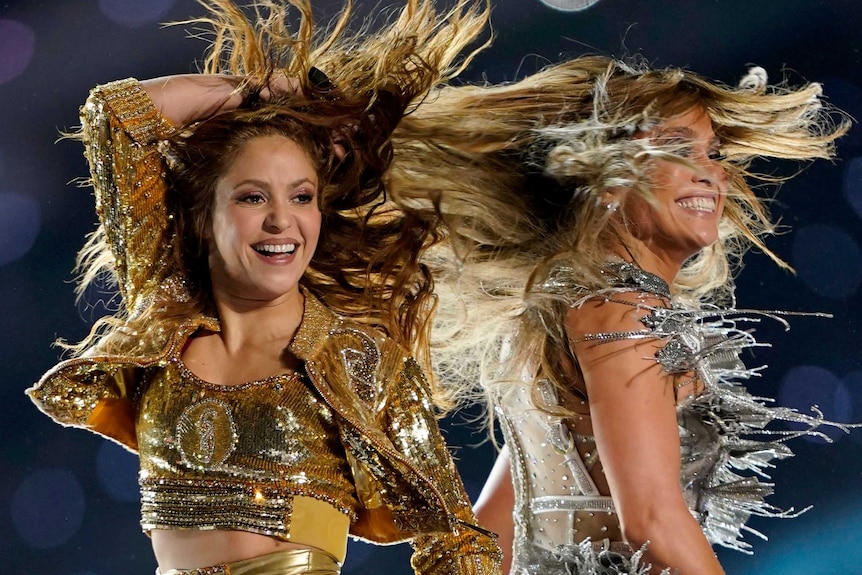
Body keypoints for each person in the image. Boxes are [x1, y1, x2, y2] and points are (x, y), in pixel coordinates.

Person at [26, 1, 502, 574]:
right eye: (253, 197)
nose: (282, 221)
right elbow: (114, 115)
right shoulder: (164, 309)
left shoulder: (356, 357)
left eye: (302, 197)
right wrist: (267, 92)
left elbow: (456, 541)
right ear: (206, 216)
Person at [386, 56, 850, 574]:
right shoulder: (621, 308)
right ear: (608, 180)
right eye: (677, 149)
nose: (710, 171)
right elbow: (652, 522)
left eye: (714, 153)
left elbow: (495, 532)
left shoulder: (564, 309)